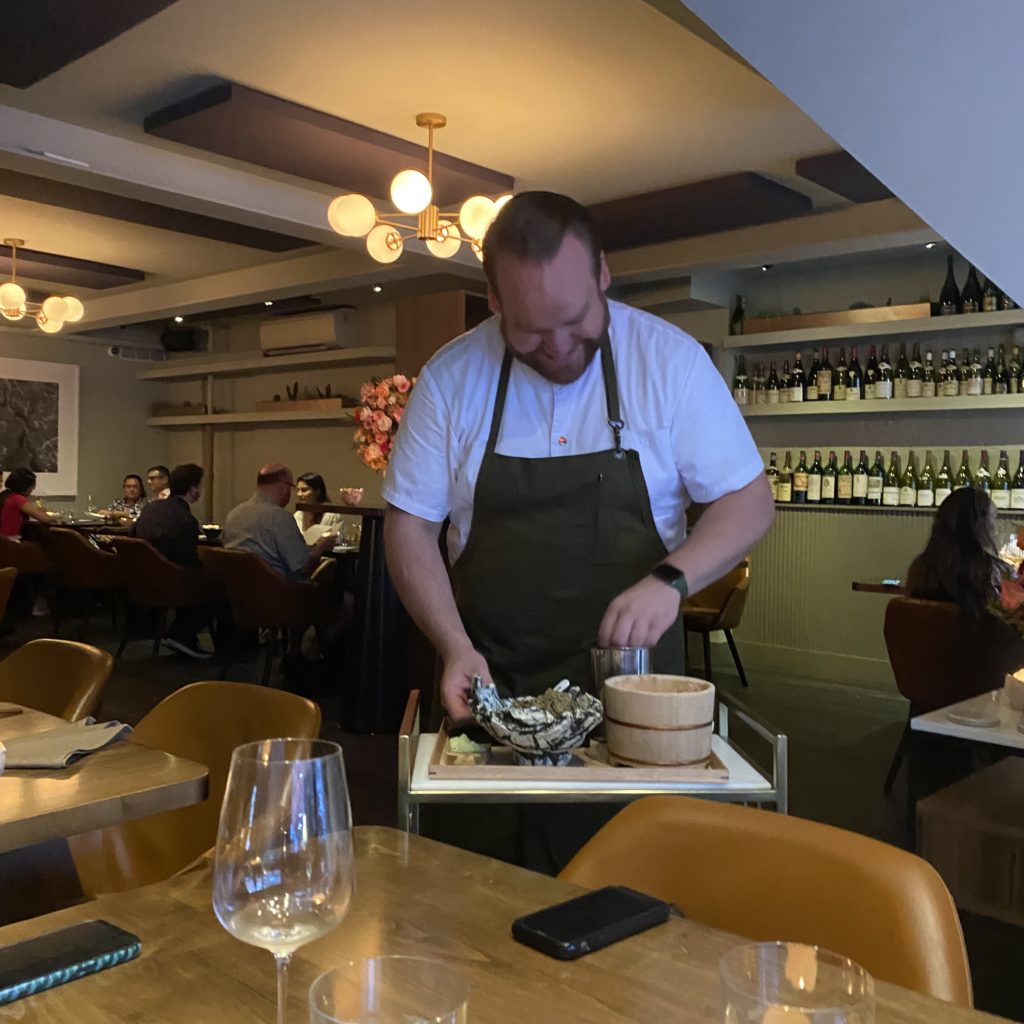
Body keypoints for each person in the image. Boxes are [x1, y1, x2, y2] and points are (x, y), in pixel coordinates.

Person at [382, 191, 774, 870]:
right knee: (475, 896)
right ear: (495, 302)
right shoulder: (450, 379)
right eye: (531, 331)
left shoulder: (670, 364)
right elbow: (410, 528)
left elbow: (750, 500)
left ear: (603, 275)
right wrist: (452, 645)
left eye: (575, 320)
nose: (560, 347)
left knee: (632, 893)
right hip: (488, 689)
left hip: (636, 700)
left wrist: (669, 581)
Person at [133, 463, 210, 658]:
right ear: (192, 490)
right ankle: (184, 635)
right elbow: (187, 560)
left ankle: (179, 633)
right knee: (215, 583)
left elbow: (133, 535)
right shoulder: (186, 520)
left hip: (142, 578)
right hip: (170, 583)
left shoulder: (150, 509)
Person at [906, 487, 1005, 619]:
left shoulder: (920, 568)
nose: (996, 528)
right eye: (993, 518)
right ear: (978, 524)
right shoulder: (990, 571)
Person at [0, 468, 53, 537]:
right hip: (11, 540)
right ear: (25, 486)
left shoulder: (4, 495)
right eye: (32, 487)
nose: (32, 490)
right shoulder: (17, 499)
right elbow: (46, 519)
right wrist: (43, 512)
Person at [294, 472, 344, 545]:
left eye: (304, 490)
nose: (299, 494)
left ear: (317, 492)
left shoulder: (331, 515)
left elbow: (337, 541)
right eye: (298, 490)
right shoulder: (298, 515)